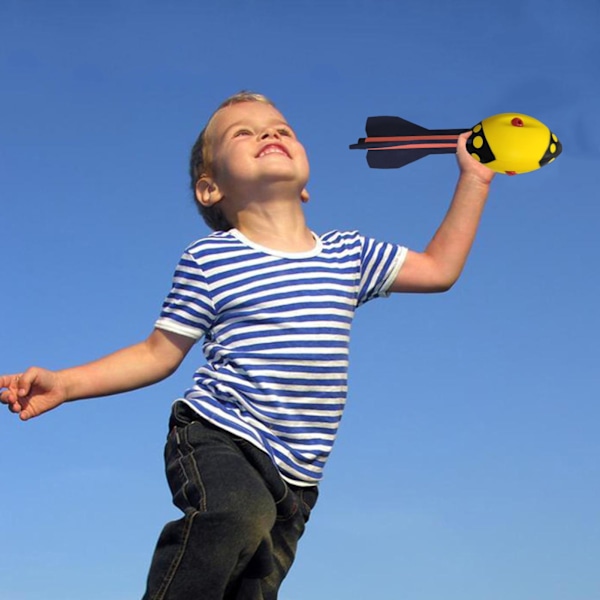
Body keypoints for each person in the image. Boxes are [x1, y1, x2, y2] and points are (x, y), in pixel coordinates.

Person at [0, 91, 495, 599]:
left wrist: (474, 178)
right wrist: (65, 383)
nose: (270, 134)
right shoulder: (211, 259)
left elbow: (439, 270)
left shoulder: (350, 254)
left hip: (299, 475)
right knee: (234, 515)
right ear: (209, 188)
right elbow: (157, 354)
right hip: (222, 433)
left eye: (282, 128)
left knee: (250, 589)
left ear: (306, 186)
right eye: (244, 132)